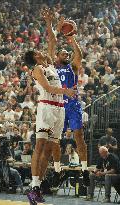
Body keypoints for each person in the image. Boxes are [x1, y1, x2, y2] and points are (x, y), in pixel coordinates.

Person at [24, 9, 76, 205]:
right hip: (46, 107)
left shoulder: (51, 65)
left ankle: (40, 184)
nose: (42, 51)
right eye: (38, 52)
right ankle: (34, 186)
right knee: (40, 146)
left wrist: (49, 22)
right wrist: (66, 91)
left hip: (59, 108)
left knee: (51, 148)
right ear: (35, 58)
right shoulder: (37, 69)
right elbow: (46, 87)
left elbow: (52, 40)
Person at [55, 18, 89, 183]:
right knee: (54, 139)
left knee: (79, 136)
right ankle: (56, 169)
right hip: (58, 106)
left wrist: (71, 38)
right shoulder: (52, 68)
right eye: (64, 53)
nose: (67, 55)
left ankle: (84, 169)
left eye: (68, 53)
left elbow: (79, 55)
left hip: (73, 105)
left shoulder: (72, 67)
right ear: (57, 57)